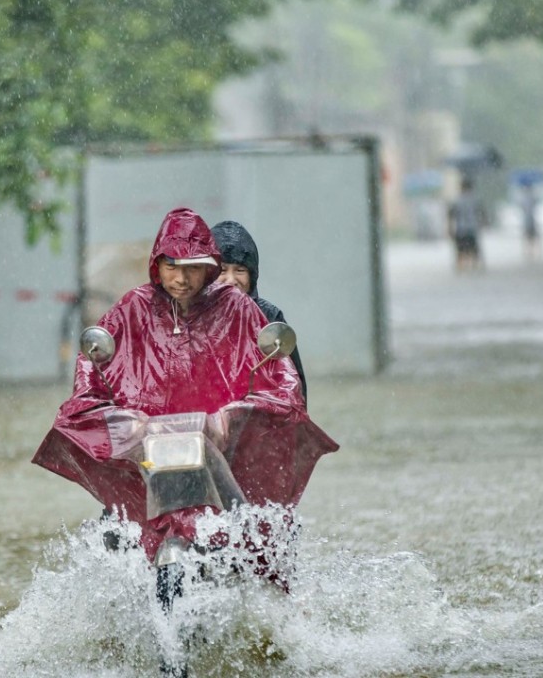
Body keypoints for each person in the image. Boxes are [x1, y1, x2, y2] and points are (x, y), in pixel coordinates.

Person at [32, 207, 337, 562]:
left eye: (194, 267)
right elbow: (96, 364)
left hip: (223, 443)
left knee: (260, 537)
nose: (182, 279)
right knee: (116, 531)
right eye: (172, 266)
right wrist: (113, 413)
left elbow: (286, 387)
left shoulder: (244, 311)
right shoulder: (134, 307)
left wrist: (236, 418)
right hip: (155, 446)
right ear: (157, 266)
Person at [210, 220, 308, 404]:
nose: (230, 279)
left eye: (240, 270)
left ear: (252, 274)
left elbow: (294, 386)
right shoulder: (190, 316)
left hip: (257, 419)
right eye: (222, 270)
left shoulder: (269, 318)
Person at [447, 177, 487, 272]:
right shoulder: (475, 199)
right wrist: (483, 223)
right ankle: (475, 268)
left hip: (461, 229)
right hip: (472, 228)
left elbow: (451, 215)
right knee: (474, 251)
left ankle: (460, 269)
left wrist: (449, 228)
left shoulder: (457, 200)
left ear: (461, 187)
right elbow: (482, 213)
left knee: (460, 251)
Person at [520, 182, 541, 261]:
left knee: (528, 238)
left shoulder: (524, 198)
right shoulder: (532, 198)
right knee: (532, 238)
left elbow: (522, 208)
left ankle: (529, 252)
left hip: (528, 221)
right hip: (531, 221)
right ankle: (532, 252)